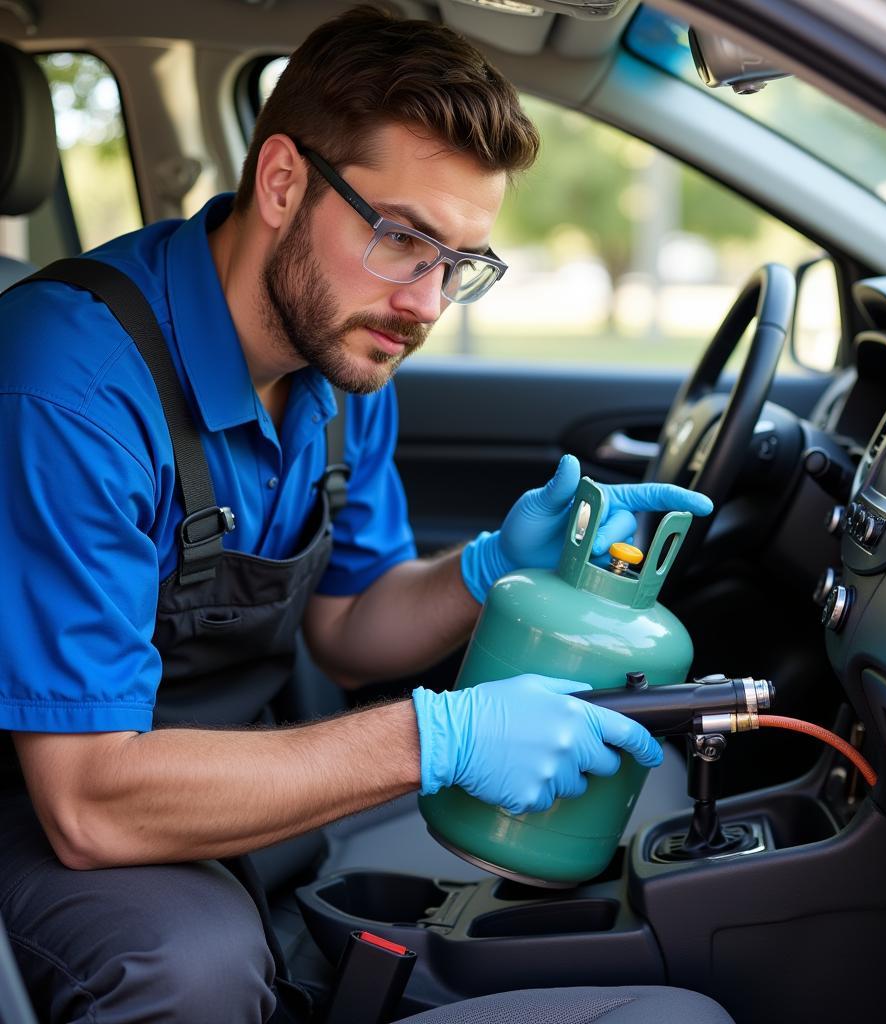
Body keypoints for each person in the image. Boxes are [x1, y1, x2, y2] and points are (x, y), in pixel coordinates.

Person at [0, 6, 712, 1021]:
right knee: (187, 966)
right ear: (283, 181)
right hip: (46, 798)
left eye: (458, 264)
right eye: (402, 239)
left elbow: (346, 629)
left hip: (210, 770)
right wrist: (439, 740)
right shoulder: (69, 387)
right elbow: (86, 799)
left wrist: (485, 572)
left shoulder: (340, 361)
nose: (426, 303)